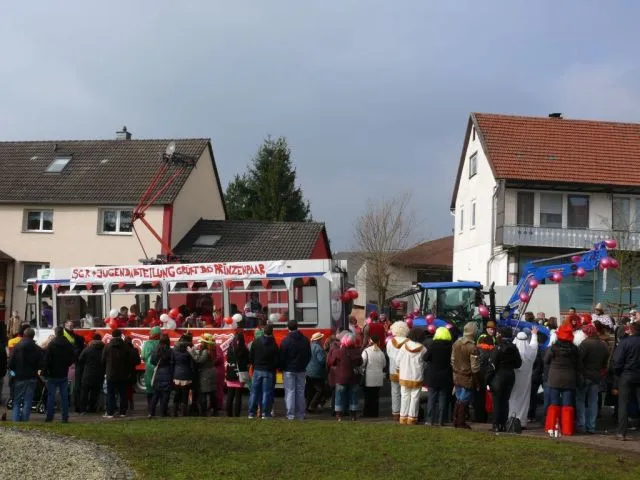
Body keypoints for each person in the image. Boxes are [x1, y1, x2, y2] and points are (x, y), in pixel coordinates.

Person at [544, 323, 581, 437]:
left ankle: (551, 427)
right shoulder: (574, 350)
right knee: (567, 405)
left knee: (554, 404)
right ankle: (567, 429)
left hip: (554, 378)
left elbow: (546, 360)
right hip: (569, 378)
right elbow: (578, 364)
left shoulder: (553, 348)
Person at [577, 323, 609, 434]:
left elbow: (579, 361)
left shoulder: (585, 344)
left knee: (581, 401)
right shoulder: (603, 344)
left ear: (586, 333)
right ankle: (591, 426)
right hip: (596, 376)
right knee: (593, 402)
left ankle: (581, 425)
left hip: (585, 376)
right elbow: (605, 363)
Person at [489, 328, 522, 432]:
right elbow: (518, 364)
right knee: (505, 400)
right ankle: (503, 424)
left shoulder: (498, 347)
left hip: (498, 375)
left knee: (497, 401)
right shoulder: (514, 348)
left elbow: (492, 365)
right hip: (510, 375)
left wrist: (487, 380)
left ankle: (496, 424)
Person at [612, 321, 640, 441]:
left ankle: (621, 432)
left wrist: (618, 374)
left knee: (623, 404)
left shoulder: (625, 342)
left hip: (627, 374)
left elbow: (617, 361)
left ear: (631, 330)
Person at [8, 328, 43, 422]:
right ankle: (24, 421)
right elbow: (41, 364)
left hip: (19, 377)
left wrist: (13, 374)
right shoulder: (37, 348)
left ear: (23, 335)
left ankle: (16, 421)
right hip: (32, 377)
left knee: (17, 401)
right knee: (28, 401)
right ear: (33, 336)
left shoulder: (17, 346)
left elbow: (10, 364)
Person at [279, 320, 311, 420]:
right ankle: (301, 414)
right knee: (300, 392)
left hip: (288, 369)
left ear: (288, 328)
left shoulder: (286, 340)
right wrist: (304, 364)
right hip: (301, 369)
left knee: (290, 392)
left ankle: (290, 414)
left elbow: (282, 356)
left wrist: (281, 367)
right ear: (297, 327)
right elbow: (308, 355)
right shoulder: (305, 340)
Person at [327, 332, 362, 421]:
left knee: (339, 396)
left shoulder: (338, 352)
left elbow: (331, 362)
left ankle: (339, 415)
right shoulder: (357, 351)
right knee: (353, 395)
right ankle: (353, 415)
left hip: (341, 377)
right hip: (353, 377)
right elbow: (360, 362)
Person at [451, 322, 481, 429]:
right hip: (467, 377)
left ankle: (455, 420)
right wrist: (477, 381)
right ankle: (461, 422)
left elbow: (452, 360)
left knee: (459, 398)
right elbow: (475, 367)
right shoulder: (472, 347)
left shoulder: (456, 343)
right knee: (464, 400)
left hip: (456, 375)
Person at [43, 326, 76, 423]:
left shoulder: (51, 344)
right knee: (64, 397)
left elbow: (47, 359)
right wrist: (67, 364)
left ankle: (49, 417)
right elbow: (73, 357)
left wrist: (46, 371)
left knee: (51, 396)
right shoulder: (68, 344)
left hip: (52, 374)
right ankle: (65, 417)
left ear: (55, 333)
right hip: (63, 373)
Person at [102, 329, 136, 418]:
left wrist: (106, 369)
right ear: (121, 335)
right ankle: (123, 412)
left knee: (111, 393)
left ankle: (110, 412)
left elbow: (103, 360)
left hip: (110, 373)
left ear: (112, 335)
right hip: (123, 373)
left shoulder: (107, 346)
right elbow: (130, 360)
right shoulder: (125, 346)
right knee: (123, 393)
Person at [396, 327, 426, 425]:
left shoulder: (404, 347)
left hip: (404, 375)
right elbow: (424, 364)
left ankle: (403, 417)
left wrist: (399, 369)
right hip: (417, 376)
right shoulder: (423, 349)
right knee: (415, 398)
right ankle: (412, 418)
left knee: (404, 396)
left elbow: (398, 360)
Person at [248, 324, 279, 419]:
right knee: (266, 393)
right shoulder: (274, 344)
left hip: (257, 370)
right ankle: (265, 414)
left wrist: (255, 364)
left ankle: (251, 413)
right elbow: (276, 359)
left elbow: (251, 357)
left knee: (254, 392)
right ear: (272, 332)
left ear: (263, 331)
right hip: (268, 371)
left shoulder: (256, 342)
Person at [508, 329, 538, 428]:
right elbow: (534, 345)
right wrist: (534, 334)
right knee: (524, 400)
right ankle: (521, 422)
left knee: (512, 399)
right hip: (525, 382)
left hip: (514, 380)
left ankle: (510, 420)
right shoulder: (531, 352)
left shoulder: (512, 352)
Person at [424, 326, 453, 426]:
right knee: (443, 399)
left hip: (433, 375)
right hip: (445, 376)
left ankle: (430, 420)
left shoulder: (433, 345)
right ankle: (441, 420)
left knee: (432, 398)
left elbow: (425, 358)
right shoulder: (450, 346)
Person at [189, 333, 219, 416]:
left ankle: (203, 412)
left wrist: (192, 352)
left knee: (204, 393)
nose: (201, 343)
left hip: (206, 374)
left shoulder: (206, 351)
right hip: (211, 372)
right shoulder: (212, 349)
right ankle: (214, 410)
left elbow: (199, 360)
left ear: (205, 343)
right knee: (212, 393)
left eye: (202, 341)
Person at [387, 321, 410, 421]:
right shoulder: (408, 342)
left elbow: (389, 355)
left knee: (395, 392)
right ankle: (404, 413)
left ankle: (395, 412)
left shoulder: (390, 342)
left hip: (393, 370)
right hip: (405, 370)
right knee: (405, 393)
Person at [77, 333, 105, 414]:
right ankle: (92, 408)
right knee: (95, 393)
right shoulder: (103, 349)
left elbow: (80, 360)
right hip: (99, 374)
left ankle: (83, 409)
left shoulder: (87, 349)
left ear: (92, 340)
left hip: (87, 373)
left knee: (84, 392)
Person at [361, 334, 386, 418]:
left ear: (370, 341)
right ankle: (375, 413)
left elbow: (363, 363)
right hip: (378, 377)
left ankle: (367, 413)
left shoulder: (366, 351)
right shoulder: (381, 352)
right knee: (375, 396)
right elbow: (384, 364)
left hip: (368, 377)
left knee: (367, 397)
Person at [149, 334, 174, 418]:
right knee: (165, 395)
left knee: (156, 394)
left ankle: (151, 412)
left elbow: (152, 361)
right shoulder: (170, 350)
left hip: (158, 372)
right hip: (167, 372)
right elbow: (172, 362)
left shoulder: (155, 349)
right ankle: (163, 412)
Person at [225, 332, 249, 417]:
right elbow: (248, 360)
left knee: (230, 395)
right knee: (238, 396)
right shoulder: (244, 349)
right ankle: (237, 414)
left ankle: (229, 414)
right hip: (240, 374)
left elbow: (228, 359)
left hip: (230, 372)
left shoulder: (230, 348)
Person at [172, 334, 194, 417]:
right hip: (186, 375)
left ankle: (174, 412)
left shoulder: (174, 351)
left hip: (177, 374)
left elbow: (172, 362)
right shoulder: (189, 352)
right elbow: (192, 365)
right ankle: (183, 413)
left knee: (177, 394)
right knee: (185, 394)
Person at [305, 332, 327, 413]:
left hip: (308, 372)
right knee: (320, 390)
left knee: (310, 391)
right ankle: (312, 406)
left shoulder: (309, 346)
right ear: (319, 340)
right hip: (317, 372)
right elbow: (322, 361)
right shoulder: (319, 348)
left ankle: (308, 406)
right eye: (321, 339)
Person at [141, 327, 162, 409]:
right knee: (160, 387)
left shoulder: (147, 344)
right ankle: (161, 406)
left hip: (149, 367)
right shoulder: (162, 343)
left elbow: (143, 356)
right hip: (160, 367)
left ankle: (150, 407)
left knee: (149, 387)